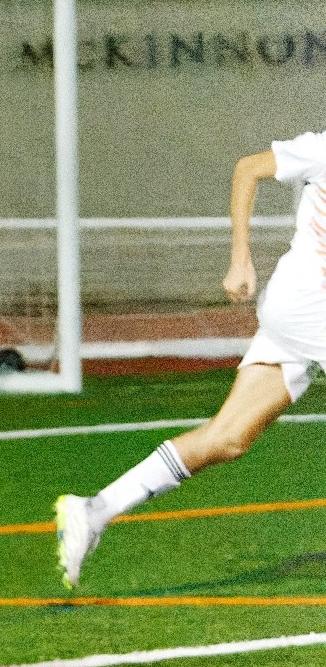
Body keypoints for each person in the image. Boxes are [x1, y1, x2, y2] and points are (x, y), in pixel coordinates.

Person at [56, 135, 323, 588]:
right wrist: (240, 259)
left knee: (228, 438)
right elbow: (247, 169)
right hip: (308, 303)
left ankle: (95, 509)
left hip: (300, 319)